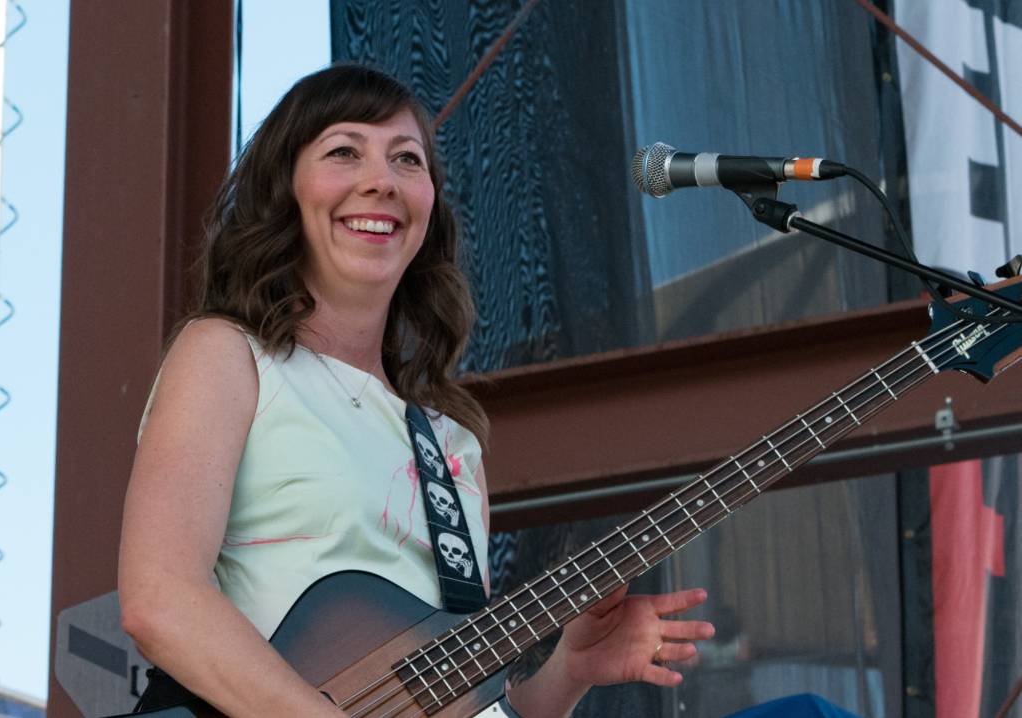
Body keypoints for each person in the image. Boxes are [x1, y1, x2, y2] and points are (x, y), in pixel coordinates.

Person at [118, 64, 714, 717]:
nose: (380, 180)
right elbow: (161, 599)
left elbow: (461, 706)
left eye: (406, 159)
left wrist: (565, 673)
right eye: (343, 151)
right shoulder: (228, 356)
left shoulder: (449, 442)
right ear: (283, 189)